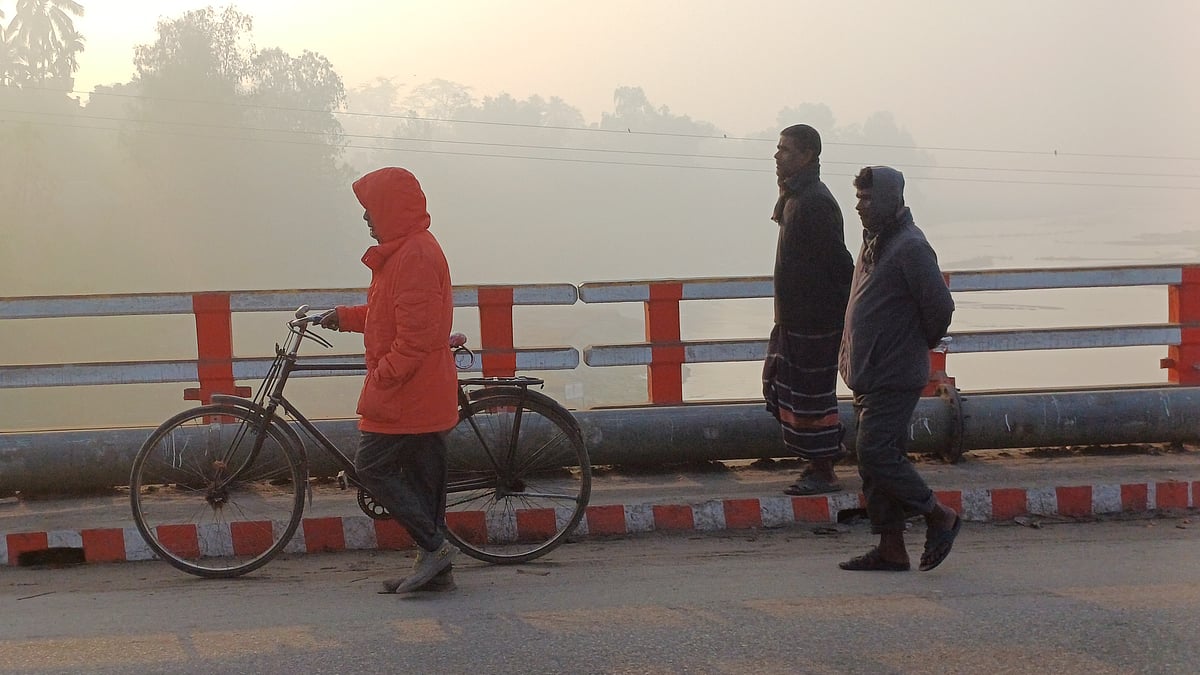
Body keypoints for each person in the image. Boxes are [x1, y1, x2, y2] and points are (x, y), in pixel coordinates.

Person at [319, 167, 461, 593]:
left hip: (409, 390)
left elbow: (414, 341)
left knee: (371, 468)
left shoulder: (414, 256)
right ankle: (436, 567)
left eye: (371, 210)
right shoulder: (404, 253)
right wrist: (344, 318)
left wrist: (382, 377)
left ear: (391, 210)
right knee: (422, 480)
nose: (366, 219)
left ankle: (436, 549)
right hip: (420, 388)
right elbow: (388, 317)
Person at [837, 165, 960, 572]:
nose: (859, 205)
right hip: (869, 370)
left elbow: (940, 308)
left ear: (890, 200)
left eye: (867, 198)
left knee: (873, 453)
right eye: (857, 197)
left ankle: (937, 514)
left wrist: (911, 343)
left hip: (894, 371)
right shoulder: (874, 242)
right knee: (876, 461)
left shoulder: (910, 246)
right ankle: (891, 547)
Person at [762, 124, 855, 496]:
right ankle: (823, 457)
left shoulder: (814, 201)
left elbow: (838, 264)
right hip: (794, 316)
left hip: (814, 320)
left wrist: (843, 315)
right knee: (785, 388)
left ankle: (824, 469)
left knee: (812, 397)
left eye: (786, 149)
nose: (778, 155)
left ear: (809, 155)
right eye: (778, 148)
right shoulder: (796, 197)